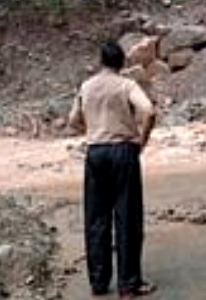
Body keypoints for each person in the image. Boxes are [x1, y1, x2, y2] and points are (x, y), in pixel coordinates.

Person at [68, 42, 158, 299]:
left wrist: (93, 129)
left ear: (101, 61)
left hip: (96, 153)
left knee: (97, 219)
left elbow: (72, 120)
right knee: (127, 217)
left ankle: (98, 283)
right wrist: (142, 139)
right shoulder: (126, 85)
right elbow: (149, 111)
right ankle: (129, 285)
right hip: (123, 151)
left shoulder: (87, 86)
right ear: (121, 63)